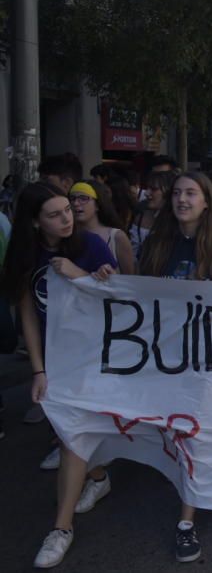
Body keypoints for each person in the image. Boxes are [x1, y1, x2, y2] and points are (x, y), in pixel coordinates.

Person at [0, 182, 118, 569]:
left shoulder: (92, 246)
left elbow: (121, 303)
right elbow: (28, 315)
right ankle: (98, 476)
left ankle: (60, 529)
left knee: (72, 437)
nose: (67, 217)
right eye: (54, 214)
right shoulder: (25, 254)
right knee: (74, 434)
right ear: (35, 223)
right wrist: (38, 368)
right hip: (58, 362)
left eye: (68, 209)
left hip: (97, 358)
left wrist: (81, 275)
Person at [138, 172, 212, 562]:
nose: (183, 200)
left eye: (191, 193)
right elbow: (137, 295)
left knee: (194, 433)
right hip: (163, 357)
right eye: (178, 193)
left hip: (209, 360)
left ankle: (187, 520)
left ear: (206, 202)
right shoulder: (155, 245)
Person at [69, 180, 136, 275]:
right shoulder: (66, 234)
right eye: (72, 198)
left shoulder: (117, 237)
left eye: (83, 198)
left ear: (97, 204)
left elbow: (129, 280)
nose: (75, 203)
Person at [129, 170, 175, 258]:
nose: (146, 193)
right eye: (147, 188)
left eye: (154, 189)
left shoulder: (182, 221)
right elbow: (134, 258)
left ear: (169, 192)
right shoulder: (140, 218)